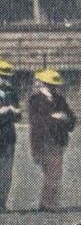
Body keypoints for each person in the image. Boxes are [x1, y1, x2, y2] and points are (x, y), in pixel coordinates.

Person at [28, 69, 76, 211]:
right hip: (42, 141)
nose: (51, 88)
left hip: (58, 141)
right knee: (52, 173)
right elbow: (36, 121)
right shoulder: (35, 100)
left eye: (53, 85)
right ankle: (48, 203)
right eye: (48, 85)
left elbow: (72, 119)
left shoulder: (60, 99)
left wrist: (65, 118)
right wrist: (54, 118)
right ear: (42, 84)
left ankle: (47, 203)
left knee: (55, 173)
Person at [0, 60, 19, 212]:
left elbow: (17, 115)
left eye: (7, 77)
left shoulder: (12, 93)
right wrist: (5, 109)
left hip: (8, 135)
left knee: (7, 172)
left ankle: (2, 203)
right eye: (2, 77)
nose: (5, 80)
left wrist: (17, 112)